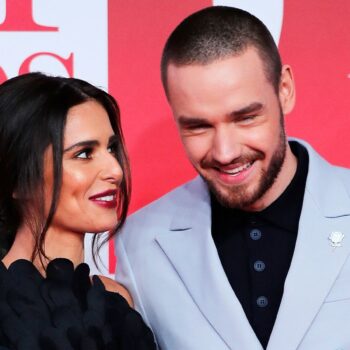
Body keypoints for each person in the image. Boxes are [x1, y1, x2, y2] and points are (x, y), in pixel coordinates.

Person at [115, 5, 350, 350]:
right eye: (198, 126)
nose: (225, 152)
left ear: (284, 90)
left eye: (245, 118)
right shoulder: (140, 243)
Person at [0, 72, 156, 349]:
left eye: (112, 148)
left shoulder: (117, 301)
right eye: (84, 154)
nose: (115, 170)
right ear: (18, 179)